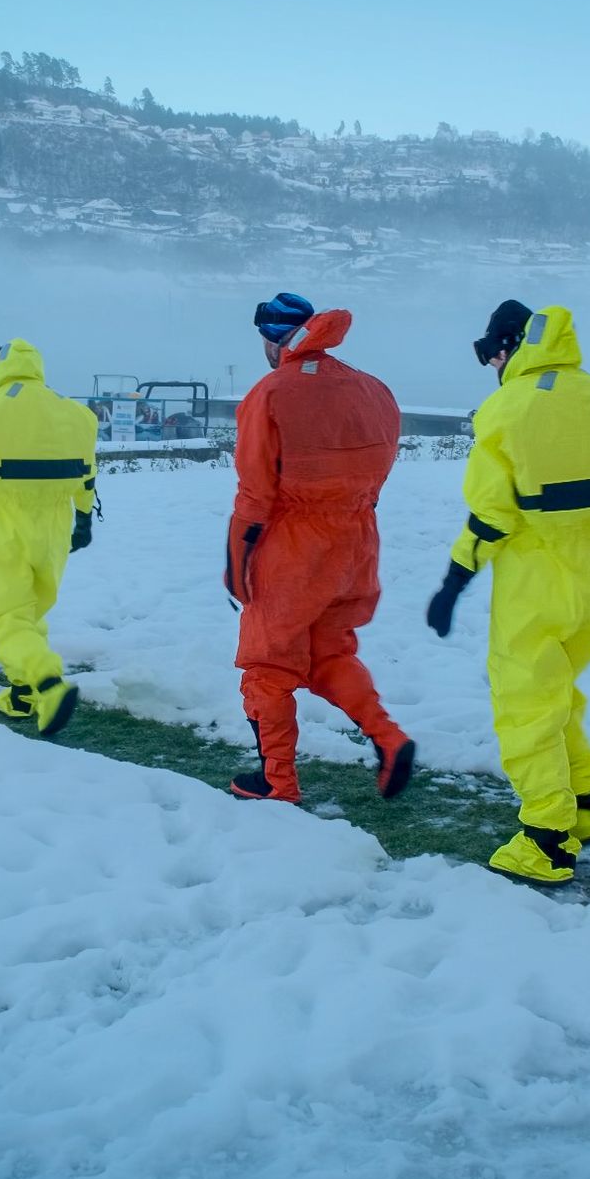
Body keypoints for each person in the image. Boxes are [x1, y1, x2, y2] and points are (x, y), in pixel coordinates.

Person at [426, 301, 590, 884]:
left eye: (491, 355)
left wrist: (454, 581)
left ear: (508, 348)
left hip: (536, 588)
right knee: (559, 697)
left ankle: (546, 841)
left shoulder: (506, 409)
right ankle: (587, 806)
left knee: (526, 709)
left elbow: (492, 515)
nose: (492, 368)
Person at [224, 293, 415, 803]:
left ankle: (278, 782)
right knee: (331, 650)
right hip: (357, 541)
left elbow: (255, 494)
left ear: (271, 338)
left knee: (269, 665)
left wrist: (237, 563)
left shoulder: (270, 394)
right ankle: (389, 738)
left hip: (293, 545)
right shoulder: (373, 390)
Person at [0, 339, 98, 737]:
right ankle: (22, 692)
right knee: (29, 612)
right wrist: (83, 522)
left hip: (7, 524)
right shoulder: (77, 413)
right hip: (57, 526)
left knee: (4, 617)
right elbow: (87, 475)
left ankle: (48, 684)